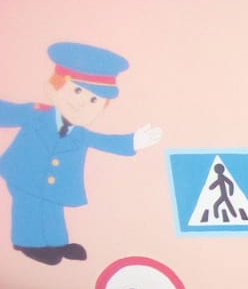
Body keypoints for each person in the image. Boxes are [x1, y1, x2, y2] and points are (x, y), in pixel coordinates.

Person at [0, 41, 162, 265]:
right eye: (77, 90)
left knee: (53, 209)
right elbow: (7, 112)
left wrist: (132, 142)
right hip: (24, 175)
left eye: (94, 100)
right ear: (54, 87)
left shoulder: (81, 133)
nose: (82, 103)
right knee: (29, 207)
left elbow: (103, 141)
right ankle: (28, 243)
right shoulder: (36, 114)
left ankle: (58, 243)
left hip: (56, 185)